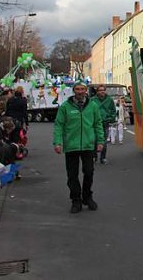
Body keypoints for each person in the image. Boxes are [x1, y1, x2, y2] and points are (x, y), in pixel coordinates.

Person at [53, 82, 105, 213]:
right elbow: (59, 125)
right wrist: (57, 142)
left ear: (86, 90)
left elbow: (98, 124)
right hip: (71, 145)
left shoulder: (92, 106)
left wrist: (100, 141)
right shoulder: (65, 107)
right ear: (73, 91)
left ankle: (87, 196)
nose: (80, 92)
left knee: (89, 172)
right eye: (77, 89)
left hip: (88, 145)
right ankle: (76, 200)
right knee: (72, 175)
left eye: (82, 89)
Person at [93, 86, 117, 165]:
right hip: (94, 123)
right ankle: (94, 156)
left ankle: (103, 158)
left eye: (103, 90)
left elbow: (113, 110)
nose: (102, 92)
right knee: (94, 140)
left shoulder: (109, 100)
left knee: (104, 141)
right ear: (97, 91)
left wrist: (110, 118)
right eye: (100, 90)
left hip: (105, 123)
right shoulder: (92, 100)